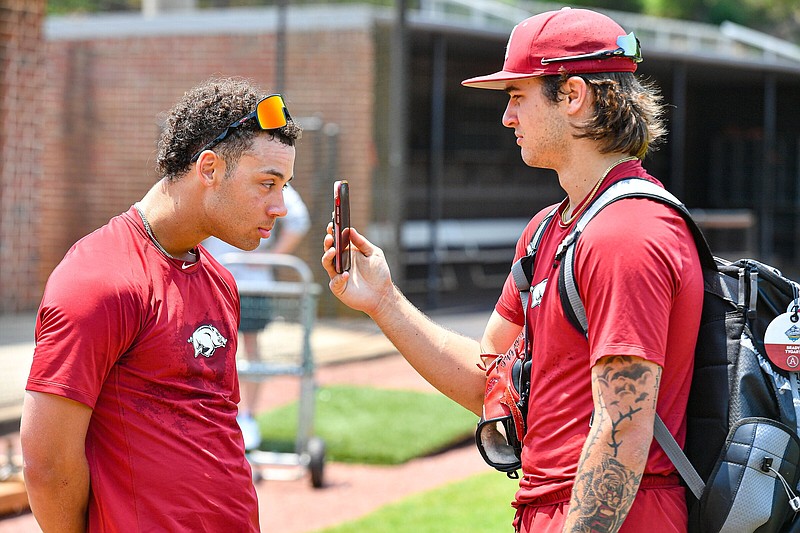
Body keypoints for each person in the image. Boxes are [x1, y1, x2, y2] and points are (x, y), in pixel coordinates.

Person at [321, 8, 702, 533]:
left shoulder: (627, 232)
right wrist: (383, 301)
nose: (507, 117)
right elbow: (489, 385)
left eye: (517, 96)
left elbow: (622, 433)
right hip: (551, 508)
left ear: (573, 97)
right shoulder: (549, 229)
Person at [21, 77, 302, 532]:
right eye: (267, 184)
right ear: (209, 169)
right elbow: (47, 464)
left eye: (284, 186)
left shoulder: (220, 280)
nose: (280, 206)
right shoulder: (99, 278)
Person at [203, 183, 311, 450]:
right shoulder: (214, 179)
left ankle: (247, 417)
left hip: (251, 282)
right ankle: (211, 417)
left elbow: (298, 219)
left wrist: (270, 258)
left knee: (249, 347)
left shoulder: (271, 182)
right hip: (211, 277)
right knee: (208, 349)